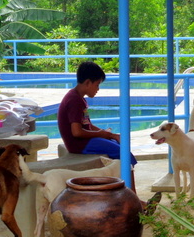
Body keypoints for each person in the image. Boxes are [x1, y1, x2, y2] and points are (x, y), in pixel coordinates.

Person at [57, 61, 139, 191]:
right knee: (124, 153)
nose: (98, 89)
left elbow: (87, 125)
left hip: (84, 142)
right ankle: (133, 196)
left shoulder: (78, 98)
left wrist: (110, 135)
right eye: (97, 85)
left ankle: (129, 192)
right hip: (79, 144)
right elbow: (77, 132)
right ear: (88, 82)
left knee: (119, 145)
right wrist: (103, 134)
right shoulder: (74, 100)